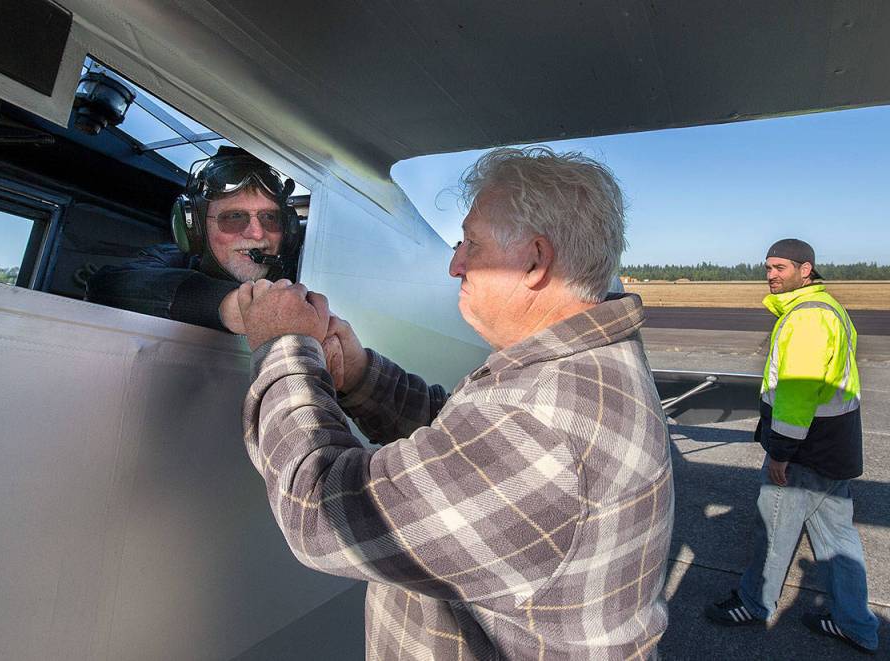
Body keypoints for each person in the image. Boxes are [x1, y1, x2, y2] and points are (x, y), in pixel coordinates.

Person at [237, 147, 674, 659]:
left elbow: (319, 516)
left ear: (535, 262)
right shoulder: (581, 365)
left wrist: (282, 344)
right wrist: (359, 377)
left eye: (471, 244)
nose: (455, 264)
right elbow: (463, 446)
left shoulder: (543, 428)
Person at [704, 239, 878, 654]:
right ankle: (856, 624)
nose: (771, 275)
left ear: (806, 269)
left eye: (780, 267)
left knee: (774, 529)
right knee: (837, 538)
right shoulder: (826, 308)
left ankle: (754, 603)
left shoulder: (807, 319)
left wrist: (781, 452)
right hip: (834, 445)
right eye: (767, 267)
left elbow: (797, 393)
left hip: (805, 450)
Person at [85, 146, 301, 332]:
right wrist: (233, 307)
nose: (256, 233)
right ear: (195, 227)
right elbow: (106, 284)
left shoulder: (304, 272)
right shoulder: (169, 258)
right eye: (234, 217)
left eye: (269, 217)